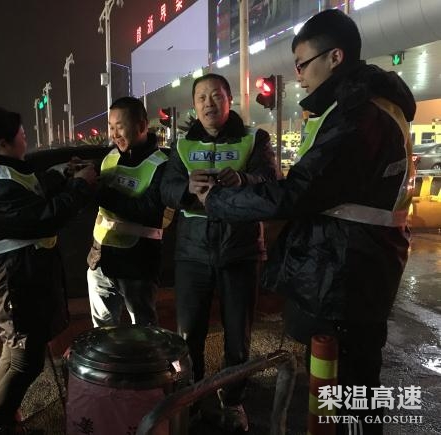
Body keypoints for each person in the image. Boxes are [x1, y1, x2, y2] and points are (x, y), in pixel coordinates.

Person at [198, 10, 415, 435]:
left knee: (350, 391)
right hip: (352, 264)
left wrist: (219, 200)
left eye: (302, 64)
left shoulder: (358, 118)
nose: (298, 75)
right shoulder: (358, 109)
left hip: (348, 271)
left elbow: (297, 192)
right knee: (340, 387)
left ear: (335, 57)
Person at [0, 107, 96, 435]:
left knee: (14, 350)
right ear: (3, 143)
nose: (26, 138)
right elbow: (45, 216)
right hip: (11, 281)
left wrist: (64, 174)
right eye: (22, 134)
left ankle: (3, 418)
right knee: (27, 360)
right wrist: (80, 186)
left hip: (13, 276)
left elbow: (32, 191)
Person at [160, 73, 277, 431]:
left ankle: (234, 401)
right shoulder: (182, 146)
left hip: (240, 250)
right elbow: (166, 187)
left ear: (229, 99)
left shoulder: (254, 139)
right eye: (202, 98)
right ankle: (192, 400)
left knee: (237, 337)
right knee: (188, 336)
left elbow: (271, 181)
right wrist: (186, 187)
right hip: (192, 252)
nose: (209, 103)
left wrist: (244, 180)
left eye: (216, 96)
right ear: (194, 106)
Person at [86, 96, 169, 327]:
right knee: (102, 332)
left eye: (120, 127)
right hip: (99, 260)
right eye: (111, 127)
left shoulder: (161, 165)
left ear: (141, 126)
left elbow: (147, 210)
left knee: (144, 331)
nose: (114, 134)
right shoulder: (109, 157)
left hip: (138, 265)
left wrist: (101, 193)